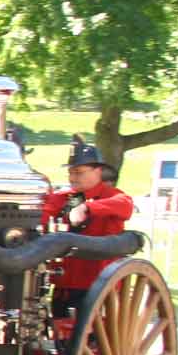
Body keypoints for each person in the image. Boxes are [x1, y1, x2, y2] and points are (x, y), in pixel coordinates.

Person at [41, 135, 133, 315]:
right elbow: (43, 215)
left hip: (98, 284)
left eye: (79, 172)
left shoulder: (112, 196)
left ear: (98, 171)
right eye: (71, 172)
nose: (72, 178)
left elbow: (125, 206)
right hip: (64, 283)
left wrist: (88, 208)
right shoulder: (61, 199)